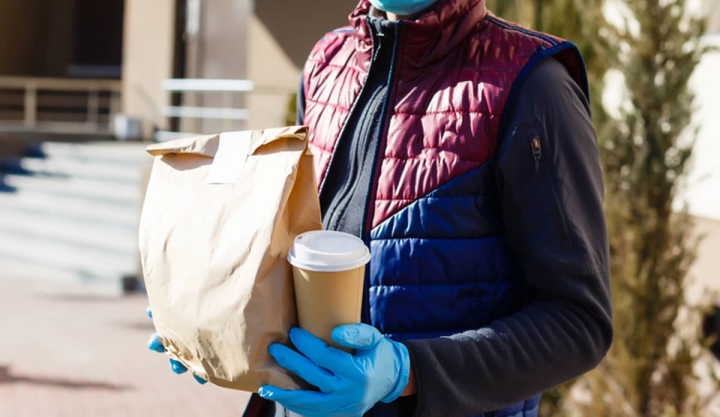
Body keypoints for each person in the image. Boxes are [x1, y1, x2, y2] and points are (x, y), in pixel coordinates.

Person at [148, 0, 614, 416]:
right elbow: (298, 245)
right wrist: (217, 314)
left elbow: (579, 323)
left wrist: (405, 372)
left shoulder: (532, 83)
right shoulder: (326, 63)